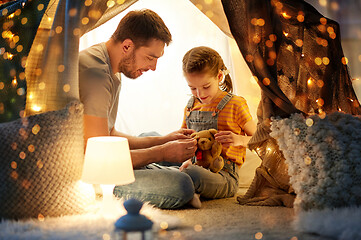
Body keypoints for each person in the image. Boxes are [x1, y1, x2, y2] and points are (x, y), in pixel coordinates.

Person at [78, 9, 199, 209]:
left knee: (154, 136)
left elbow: (109, 134)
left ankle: (161, 165)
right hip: (90, 170)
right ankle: (165, 172)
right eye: (150, 57)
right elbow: (100, 155)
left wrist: (165, 140)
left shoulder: (112, 68)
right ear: (127, 46)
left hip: (102, 154)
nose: (154, 67)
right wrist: (161, 152)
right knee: (182, 185)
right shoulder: (96, 73)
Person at [179, 46, 257, 203]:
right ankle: (185, 184)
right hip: (197, 164)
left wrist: (239, 140)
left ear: (219, 76)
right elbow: (183, 139)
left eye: (206, 86)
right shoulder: (190, 106)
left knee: (192, 175)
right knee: (149, 139)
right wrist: (186, 158)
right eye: (192, 88)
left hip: (224, 175)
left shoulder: (236, 104)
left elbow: (260, 137)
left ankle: (185, 187)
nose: (200, 94)